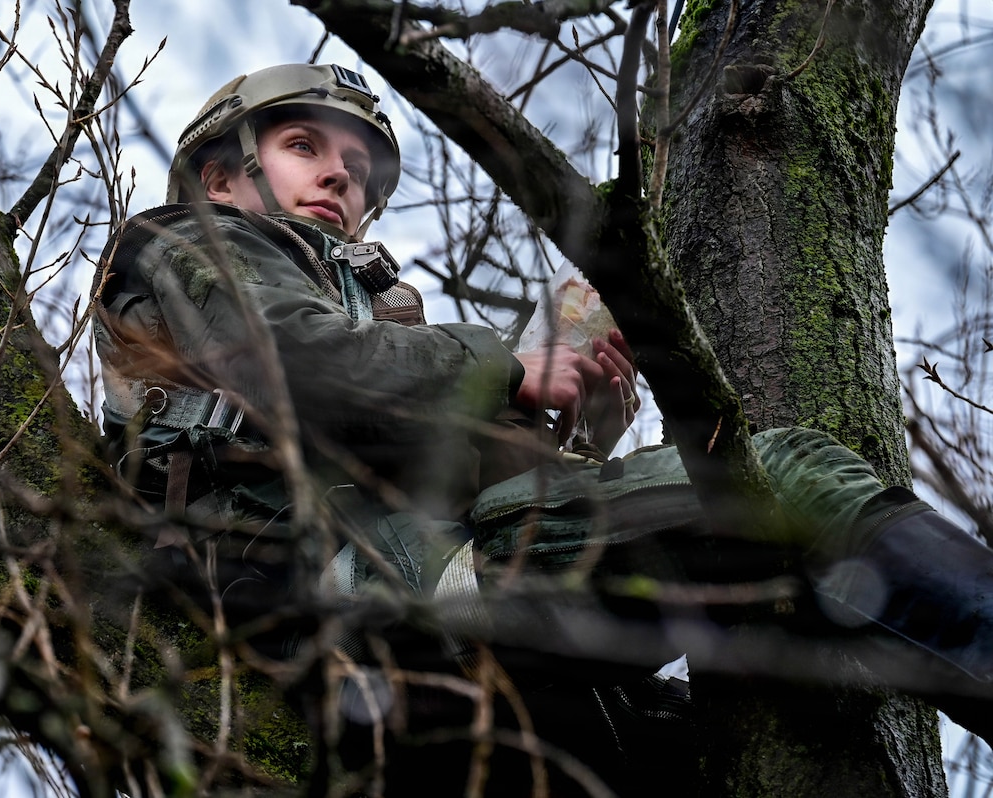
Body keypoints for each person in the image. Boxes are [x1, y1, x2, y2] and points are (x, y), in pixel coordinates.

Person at [93, 63, 993, 792]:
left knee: (739, 755)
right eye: (303, 146)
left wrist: (576, 432)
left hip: (408, 629)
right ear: (221, 174)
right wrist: (507, 369)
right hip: (341, 612)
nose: (341, 175)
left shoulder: (367, 318)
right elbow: (310, 373)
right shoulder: (184, 245)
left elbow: (397, 463)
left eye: (359, 169)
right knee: (790, 479)